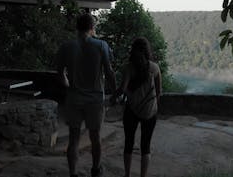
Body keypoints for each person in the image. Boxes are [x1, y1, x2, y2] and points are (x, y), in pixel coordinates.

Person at [57, 13, 116, 177]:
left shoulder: (66, 47)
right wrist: (116, 93)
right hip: (95, 100)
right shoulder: (101, 45)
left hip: (74, 98)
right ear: (92, 27)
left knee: (73, 139)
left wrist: (69, 86)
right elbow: (110, 72)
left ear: (77, 27)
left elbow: (60, 73)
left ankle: (73, 173)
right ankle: (96, 170)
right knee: (95, 137)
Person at [116, 37, 162, 177]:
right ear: (147, 51)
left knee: (129, 143)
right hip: (150, 111)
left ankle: (127, 175)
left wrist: (114, 97)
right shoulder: (155, 68)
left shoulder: (128, 67)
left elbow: (123, 89)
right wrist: (152, 105)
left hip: (131, 110)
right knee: (145, 147)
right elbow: (159, 91)